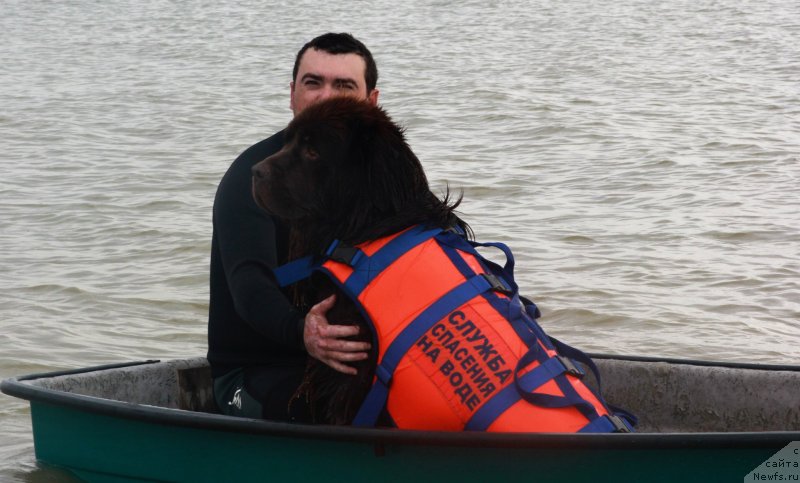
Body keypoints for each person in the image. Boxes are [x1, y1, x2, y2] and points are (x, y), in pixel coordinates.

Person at [207, 33, 379, 421]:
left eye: (344, 85)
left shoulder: (383, 180)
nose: (324, 97)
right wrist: (303, 331)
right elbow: (250, 289)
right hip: (255, 373)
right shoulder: (252, 178)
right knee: (338, 410)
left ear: (371, 103)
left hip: (349, 362)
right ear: (292, 94)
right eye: (313, 83)